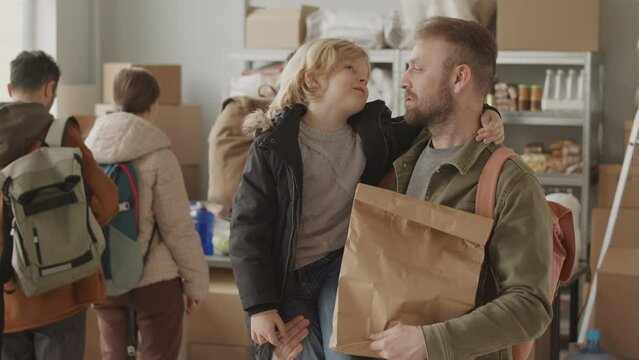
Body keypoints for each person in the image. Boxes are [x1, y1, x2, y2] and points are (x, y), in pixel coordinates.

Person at [230, 38, 505, 360]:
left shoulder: (375, 131)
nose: (364, 78)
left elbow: (438, 115)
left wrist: (487, 112)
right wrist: (259, 306)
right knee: (296, 353)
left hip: (342, 265)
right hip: (287, 276)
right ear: (312, 80)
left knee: (346, 354)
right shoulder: (272, 147)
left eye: (366, 73)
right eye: (351, 69)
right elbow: (248, 228)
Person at [369, 17, 553, 360]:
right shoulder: (399, 159)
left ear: (459, 78)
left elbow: (530, 307)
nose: (404, 80)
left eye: (418, 69)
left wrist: (431, 342)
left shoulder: (510, 182)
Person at [1, 50, 118, 360]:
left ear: (11, 89)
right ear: (50, 88)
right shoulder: (59, 134)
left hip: (6, 297)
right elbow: (106, 201)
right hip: (60, 287)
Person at [85, 68, 209, 360]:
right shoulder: (159, 155)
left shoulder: (87, 152)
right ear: (153, 105)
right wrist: (197, 286)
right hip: (156, 281)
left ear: (115, 100)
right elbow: (178, 229)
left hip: (104, 275)